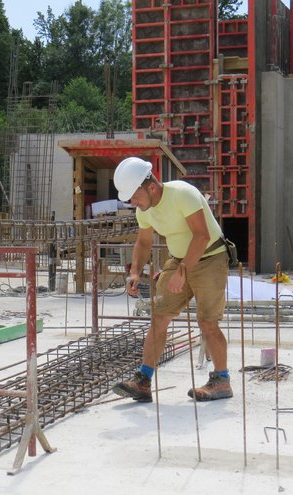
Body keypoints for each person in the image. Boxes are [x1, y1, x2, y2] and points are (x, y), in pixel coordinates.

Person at [111, 157, 233, 403]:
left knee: (207, 322)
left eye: (135, 196)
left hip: (210, 257)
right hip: (179, 260)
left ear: (151, 187)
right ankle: (143, 381)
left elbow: (201, 236)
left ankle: (222, 381)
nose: (133, 203)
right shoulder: (144, 210)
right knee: (159, 317)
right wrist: (135, 271)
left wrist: (183, 272)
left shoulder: (183, 194)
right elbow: (144, 242)